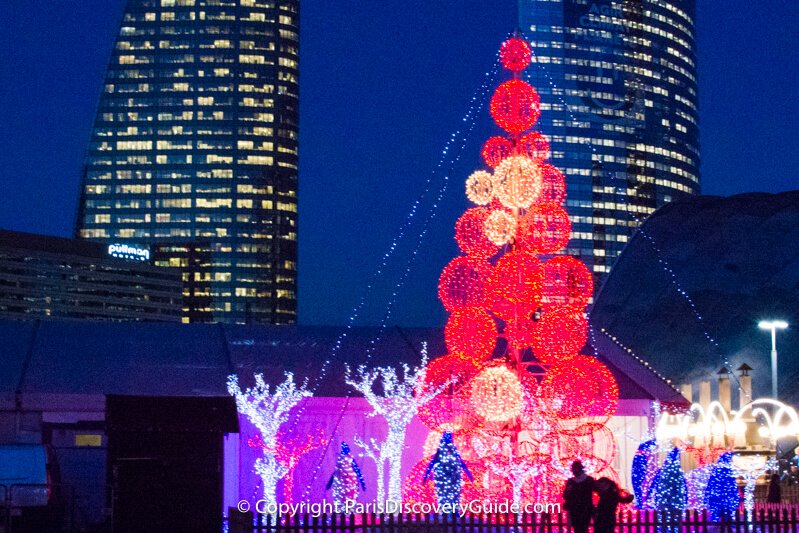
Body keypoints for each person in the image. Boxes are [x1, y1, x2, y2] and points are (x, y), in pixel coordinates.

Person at [563, 461, 595, 533]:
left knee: (583, 527)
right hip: (575, 509)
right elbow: (565, 495)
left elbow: (595, 491)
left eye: (576, 469)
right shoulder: (571, 481)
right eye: (573, 469)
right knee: (577, 528)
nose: (574, 471)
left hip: (585, 508)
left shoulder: (589, 480)